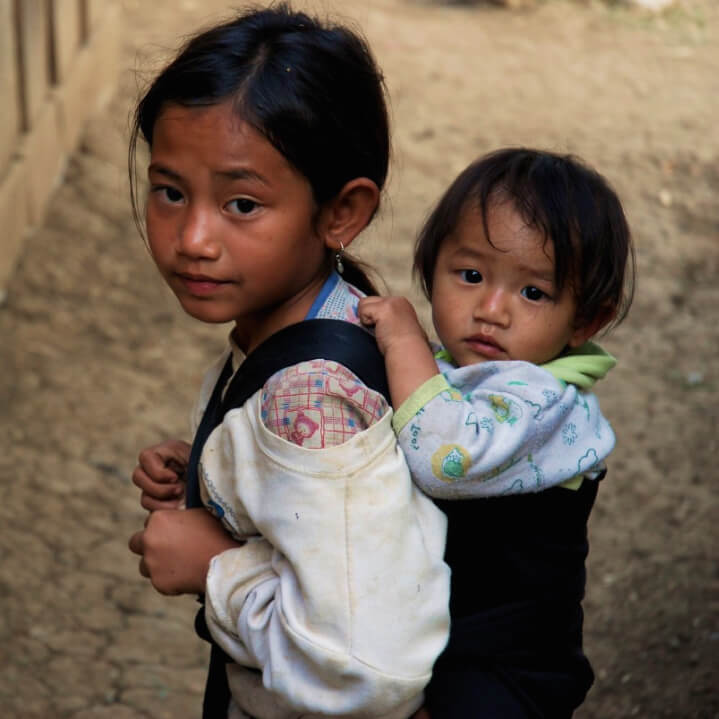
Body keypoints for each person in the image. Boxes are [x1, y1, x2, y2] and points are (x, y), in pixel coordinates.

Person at [126, 6, 450, 719]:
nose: (193, 237)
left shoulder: (310, 401)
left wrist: (214, 566)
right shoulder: (325, 315)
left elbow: (362, 668)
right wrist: (218, 474)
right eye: (170, 191)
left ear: (341, 212)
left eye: (242, 203)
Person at [358, 147, 635, 718]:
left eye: (533, 292)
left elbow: (445, 456)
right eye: (471, 275)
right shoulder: (444, 373)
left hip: (503, 672)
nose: (491, 309)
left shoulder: (543, 401)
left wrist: (404, 342)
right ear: (431, 268)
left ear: (585, 320)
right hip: (435, 642)